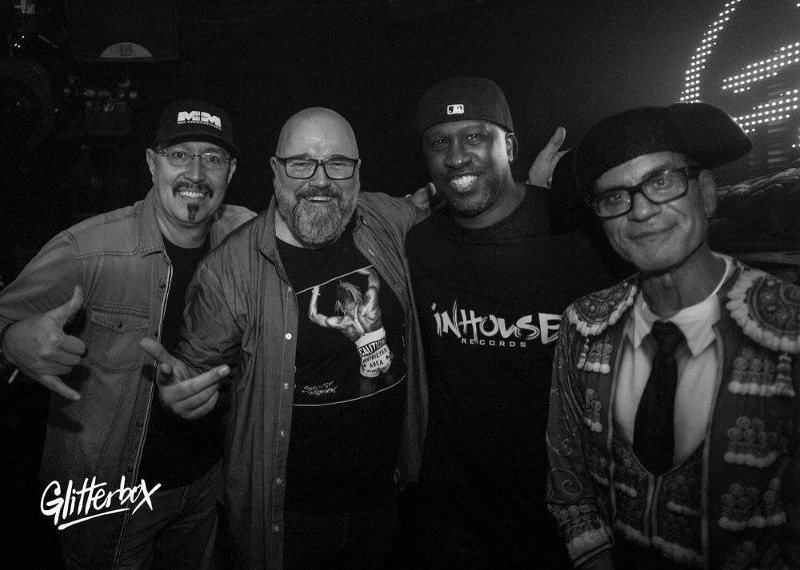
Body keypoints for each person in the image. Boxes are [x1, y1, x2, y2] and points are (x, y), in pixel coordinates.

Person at [139, 107, 428, 570]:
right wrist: (178, 398)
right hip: (285, 519)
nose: (320, 180)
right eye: (301, 163)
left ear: (358, 172)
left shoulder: (385, 221)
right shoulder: (229, 271)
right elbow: (193, 372)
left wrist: (536, 194)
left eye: (338, 163)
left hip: (386, 500)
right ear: (275, 171)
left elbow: (456, 204)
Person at [0, 100, 255, 568]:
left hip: (204, 487)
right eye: (179, 155)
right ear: (152, 163)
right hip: (109, 497)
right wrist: (10, 342)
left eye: (213, 158)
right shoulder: (88, 251)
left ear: (231, 171)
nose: (196, 172)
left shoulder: (244, 241)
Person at [545, 102, 800, 569]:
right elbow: (570, 488)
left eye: (661, 182)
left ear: (707, 193)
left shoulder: (790, 324)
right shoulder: (583, 325)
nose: (641, 210)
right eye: (614, 198)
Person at [404, 76, 618, 569]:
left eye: (475, 136)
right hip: (453, 513)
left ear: (511, 146)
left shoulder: (577, 235)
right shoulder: (421, 245)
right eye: (439, 142)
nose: (457, 157)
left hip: (564, 510)